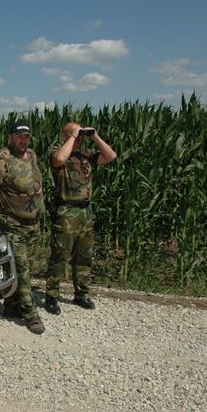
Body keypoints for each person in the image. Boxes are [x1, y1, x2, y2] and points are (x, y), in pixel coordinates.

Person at [0, 120, 46, 334]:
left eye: (26, 136)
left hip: (32, 225)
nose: (23, 140)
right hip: (13, 224)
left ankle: (11, 306)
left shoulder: (32, 155)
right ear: (10, 137)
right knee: (24, 269)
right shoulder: (3, 158)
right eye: (19, 136)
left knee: (25, 267)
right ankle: (31, 315)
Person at [44, 122, 117, 314]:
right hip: (66, 212)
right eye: (73, 133)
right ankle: (51, 296)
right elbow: (59, 158)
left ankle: (82, 294)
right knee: (60, 255)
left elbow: (111, 156)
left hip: (85, 212)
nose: (79, 137)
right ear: (64, 136)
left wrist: (95, 137)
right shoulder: (57, 153)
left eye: (80, 133)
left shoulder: (87, 155)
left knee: (84, 255)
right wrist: (73, 137)